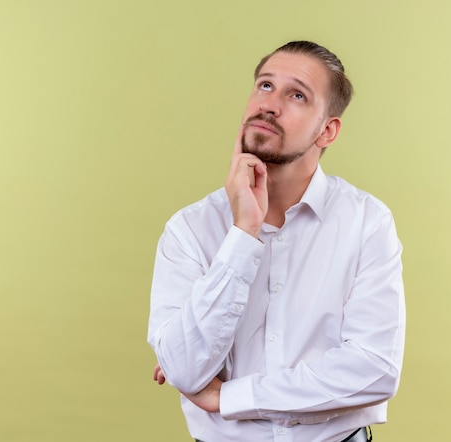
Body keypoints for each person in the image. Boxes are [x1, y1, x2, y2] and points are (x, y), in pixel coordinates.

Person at [147, 40, 405, 442]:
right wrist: (243, 234)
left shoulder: (367, 223)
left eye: (296, 95)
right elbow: (182, 368)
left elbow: (374, 369)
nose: (269, 104)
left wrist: (228, 397)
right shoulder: (189, 230)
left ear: (327, 130)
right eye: (265, 86)